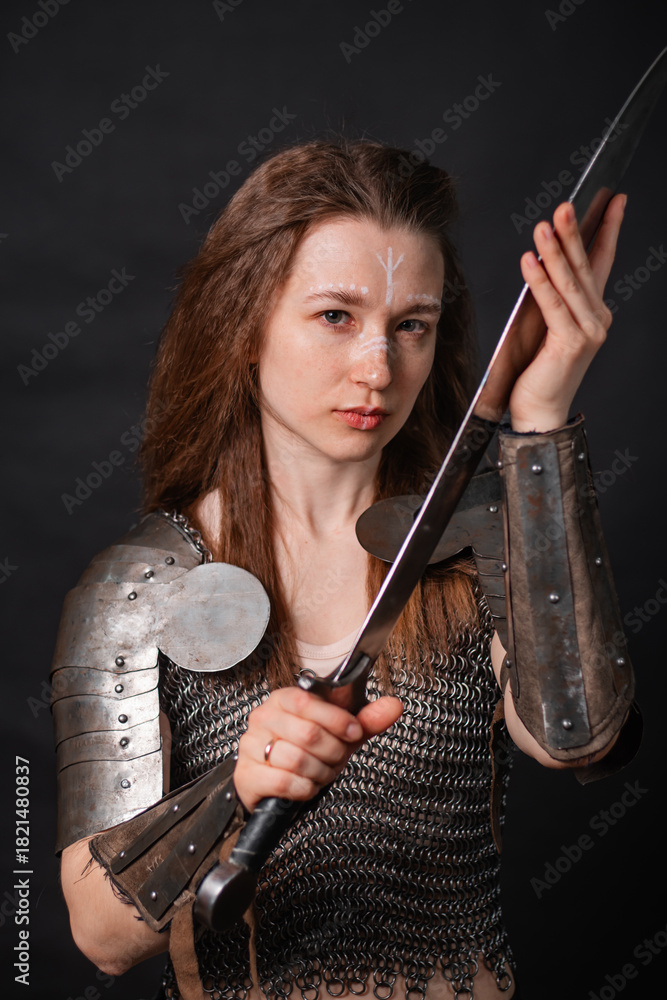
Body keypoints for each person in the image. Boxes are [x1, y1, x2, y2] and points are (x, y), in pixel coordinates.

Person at [53, 138, 636, 1000]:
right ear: (243, 323)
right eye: (335, 316)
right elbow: (97, 935)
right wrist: (241, 786)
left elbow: (576, 736)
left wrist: (540, 421)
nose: (377, 370)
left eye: (412, 326)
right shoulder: (140, 584)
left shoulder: (481, 536)